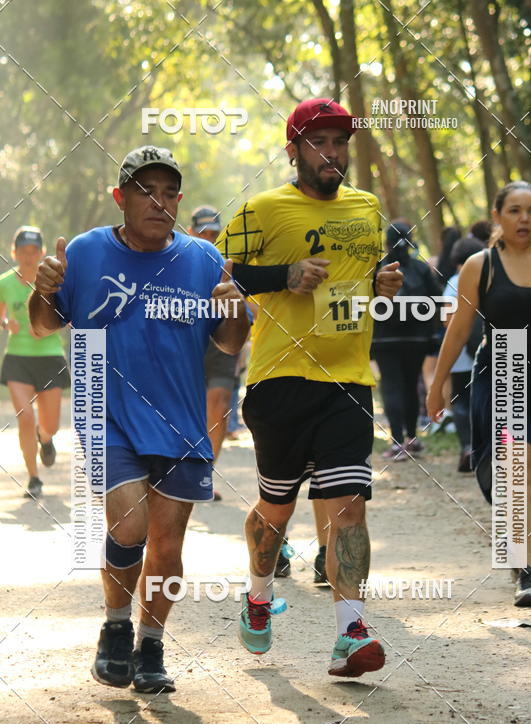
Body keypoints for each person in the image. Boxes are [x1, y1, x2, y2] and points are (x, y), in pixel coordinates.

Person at [29, 145, 249, 693]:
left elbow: (227, 341)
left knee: (168, 547)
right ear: (120, 197)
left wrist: (236, 311)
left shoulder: (201, 260)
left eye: (170, 192)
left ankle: (151, 645)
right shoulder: (85, 252)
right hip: (107, 413)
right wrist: (45, 288)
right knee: (129, 526)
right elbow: (39, 326)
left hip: (179, 419)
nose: (160, 201)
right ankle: (115, 626)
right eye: (146, 191)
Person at [217, 98, 402, 677]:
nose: (332, 153)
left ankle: (350, 630)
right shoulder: (263, 210)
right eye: (318, 142)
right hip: (279, 382)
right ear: (293, 149)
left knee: (350, 506)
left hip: (348, 380)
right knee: (277, 508)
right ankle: (256, 595)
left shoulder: (367, 208)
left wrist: (382, 282)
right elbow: (214, 275)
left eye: (340, 142)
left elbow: (362, 279)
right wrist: (283, 276)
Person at [427, 181, 531, 607]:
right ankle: (525, 568)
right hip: (504, 366)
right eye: (516, 210)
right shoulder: (479, 265)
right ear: (498, 215)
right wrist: (438, 383)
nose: (525, 218)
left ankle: (521, 548)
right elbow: (460, 328)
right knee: (517, 468)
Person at [0, 226, 70, 500]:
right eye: (23, 252)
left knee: (49, 424)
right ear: (14, 252)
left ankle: (46, 438)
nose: (29, 257)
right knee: (25, 417)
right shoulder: (4, 283)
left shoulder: (53, 283)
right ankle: (33, 477)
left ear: (41, 253)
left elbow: (65, 316)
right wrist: (8, 323)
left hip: (50, 357)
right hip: (18, 357)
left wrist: (45, 327)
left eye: (34, 252)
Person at [371, 220, 441, 461]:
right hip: (416, 338)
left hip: (383, 339)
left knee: (391, 386)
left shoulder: (377, 267)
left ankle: (397, 442)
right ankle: (412, 438)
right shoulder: (421, 269)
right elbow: (437, 301)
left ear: (387, 242)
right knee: (411, 385)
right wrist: (433, 335)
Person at [189, 205, 241, 500]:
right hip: (189, 340)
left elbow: (244, 306)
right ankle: (179, 472)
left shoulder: (229, 262)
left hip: (222, 340)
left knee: (219, 404)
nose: (209, 237)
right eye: (203, 232)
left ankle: (204, 475)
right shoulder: (176, 259)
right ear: (191, 231)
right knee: (191, 407)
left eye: (214, 233)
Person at [441, 236, 485, 471]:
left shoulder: (454, 281)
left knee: (460, 401)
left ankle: (468, 446)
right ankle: (487, 448)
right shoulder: (488, 276)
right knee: (484, 399)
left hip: (461, 353)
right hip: (485, 347)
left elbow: (447, 319)